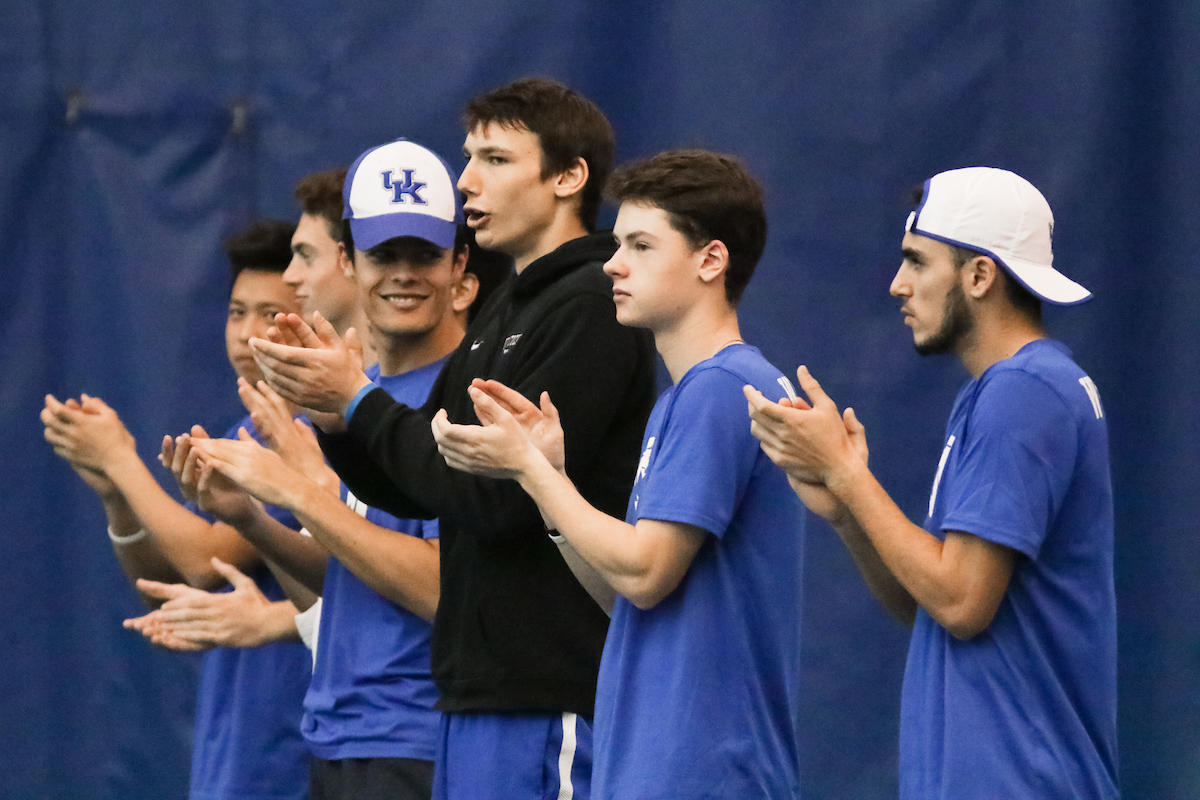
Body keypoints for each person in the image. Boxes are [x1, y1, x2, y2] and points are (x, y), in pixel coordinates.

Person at [242, 78, 658, 800]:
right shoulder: (507, 306)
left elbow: (495, 500)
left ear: (568, 177)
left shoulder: (591, 304)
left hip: (546, 694)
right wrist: (340, 418)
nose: (466, 180)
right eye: (468, 157)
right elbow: (412, 475)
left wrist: (357, 400)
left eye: (495, 159)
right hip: (471, 698)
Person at [431, 149, 806, 799]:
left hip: (703, 770)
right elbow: (628, 596)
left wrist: (529, 469)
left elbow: (645, 569)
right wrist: (548, 478)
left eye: (640, 244)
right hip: (662, 764)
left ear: (710, 260)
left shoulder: (722, 388)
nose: (613, 262)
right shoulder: (687, 396)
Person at [744, 167, 1118, 798]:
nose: (897, 285)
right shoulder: (999, 392)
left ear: (979, 276)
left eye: (917, 262)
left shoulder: (1023, 392)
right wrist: (843, 508)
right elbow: (924, 605)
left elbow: (962, 603)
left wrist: (845, 469)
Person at [180, 138, 479, 800]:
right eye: (384, 254)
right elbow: (346, 583)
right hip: (340, 735)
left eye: (424, 253)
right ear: (352, 262)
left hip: (422, 736)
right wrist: (249, 518)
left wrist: (303, 496)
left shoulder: (471, 395)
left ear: (460, 266)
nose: (404, 273)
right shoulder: (359, 397)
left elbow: (445, 591)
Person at [41, 219, 314, 800]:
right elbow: (164, 589)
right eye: (236, 312)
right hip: (233, 745)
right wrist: (116, 497)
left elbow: (203, 562)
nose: (245, 333)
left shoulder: (310, 434)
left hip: (291, 749)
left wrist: (121, 461)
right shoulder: (245, 429)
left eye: (269, 313)